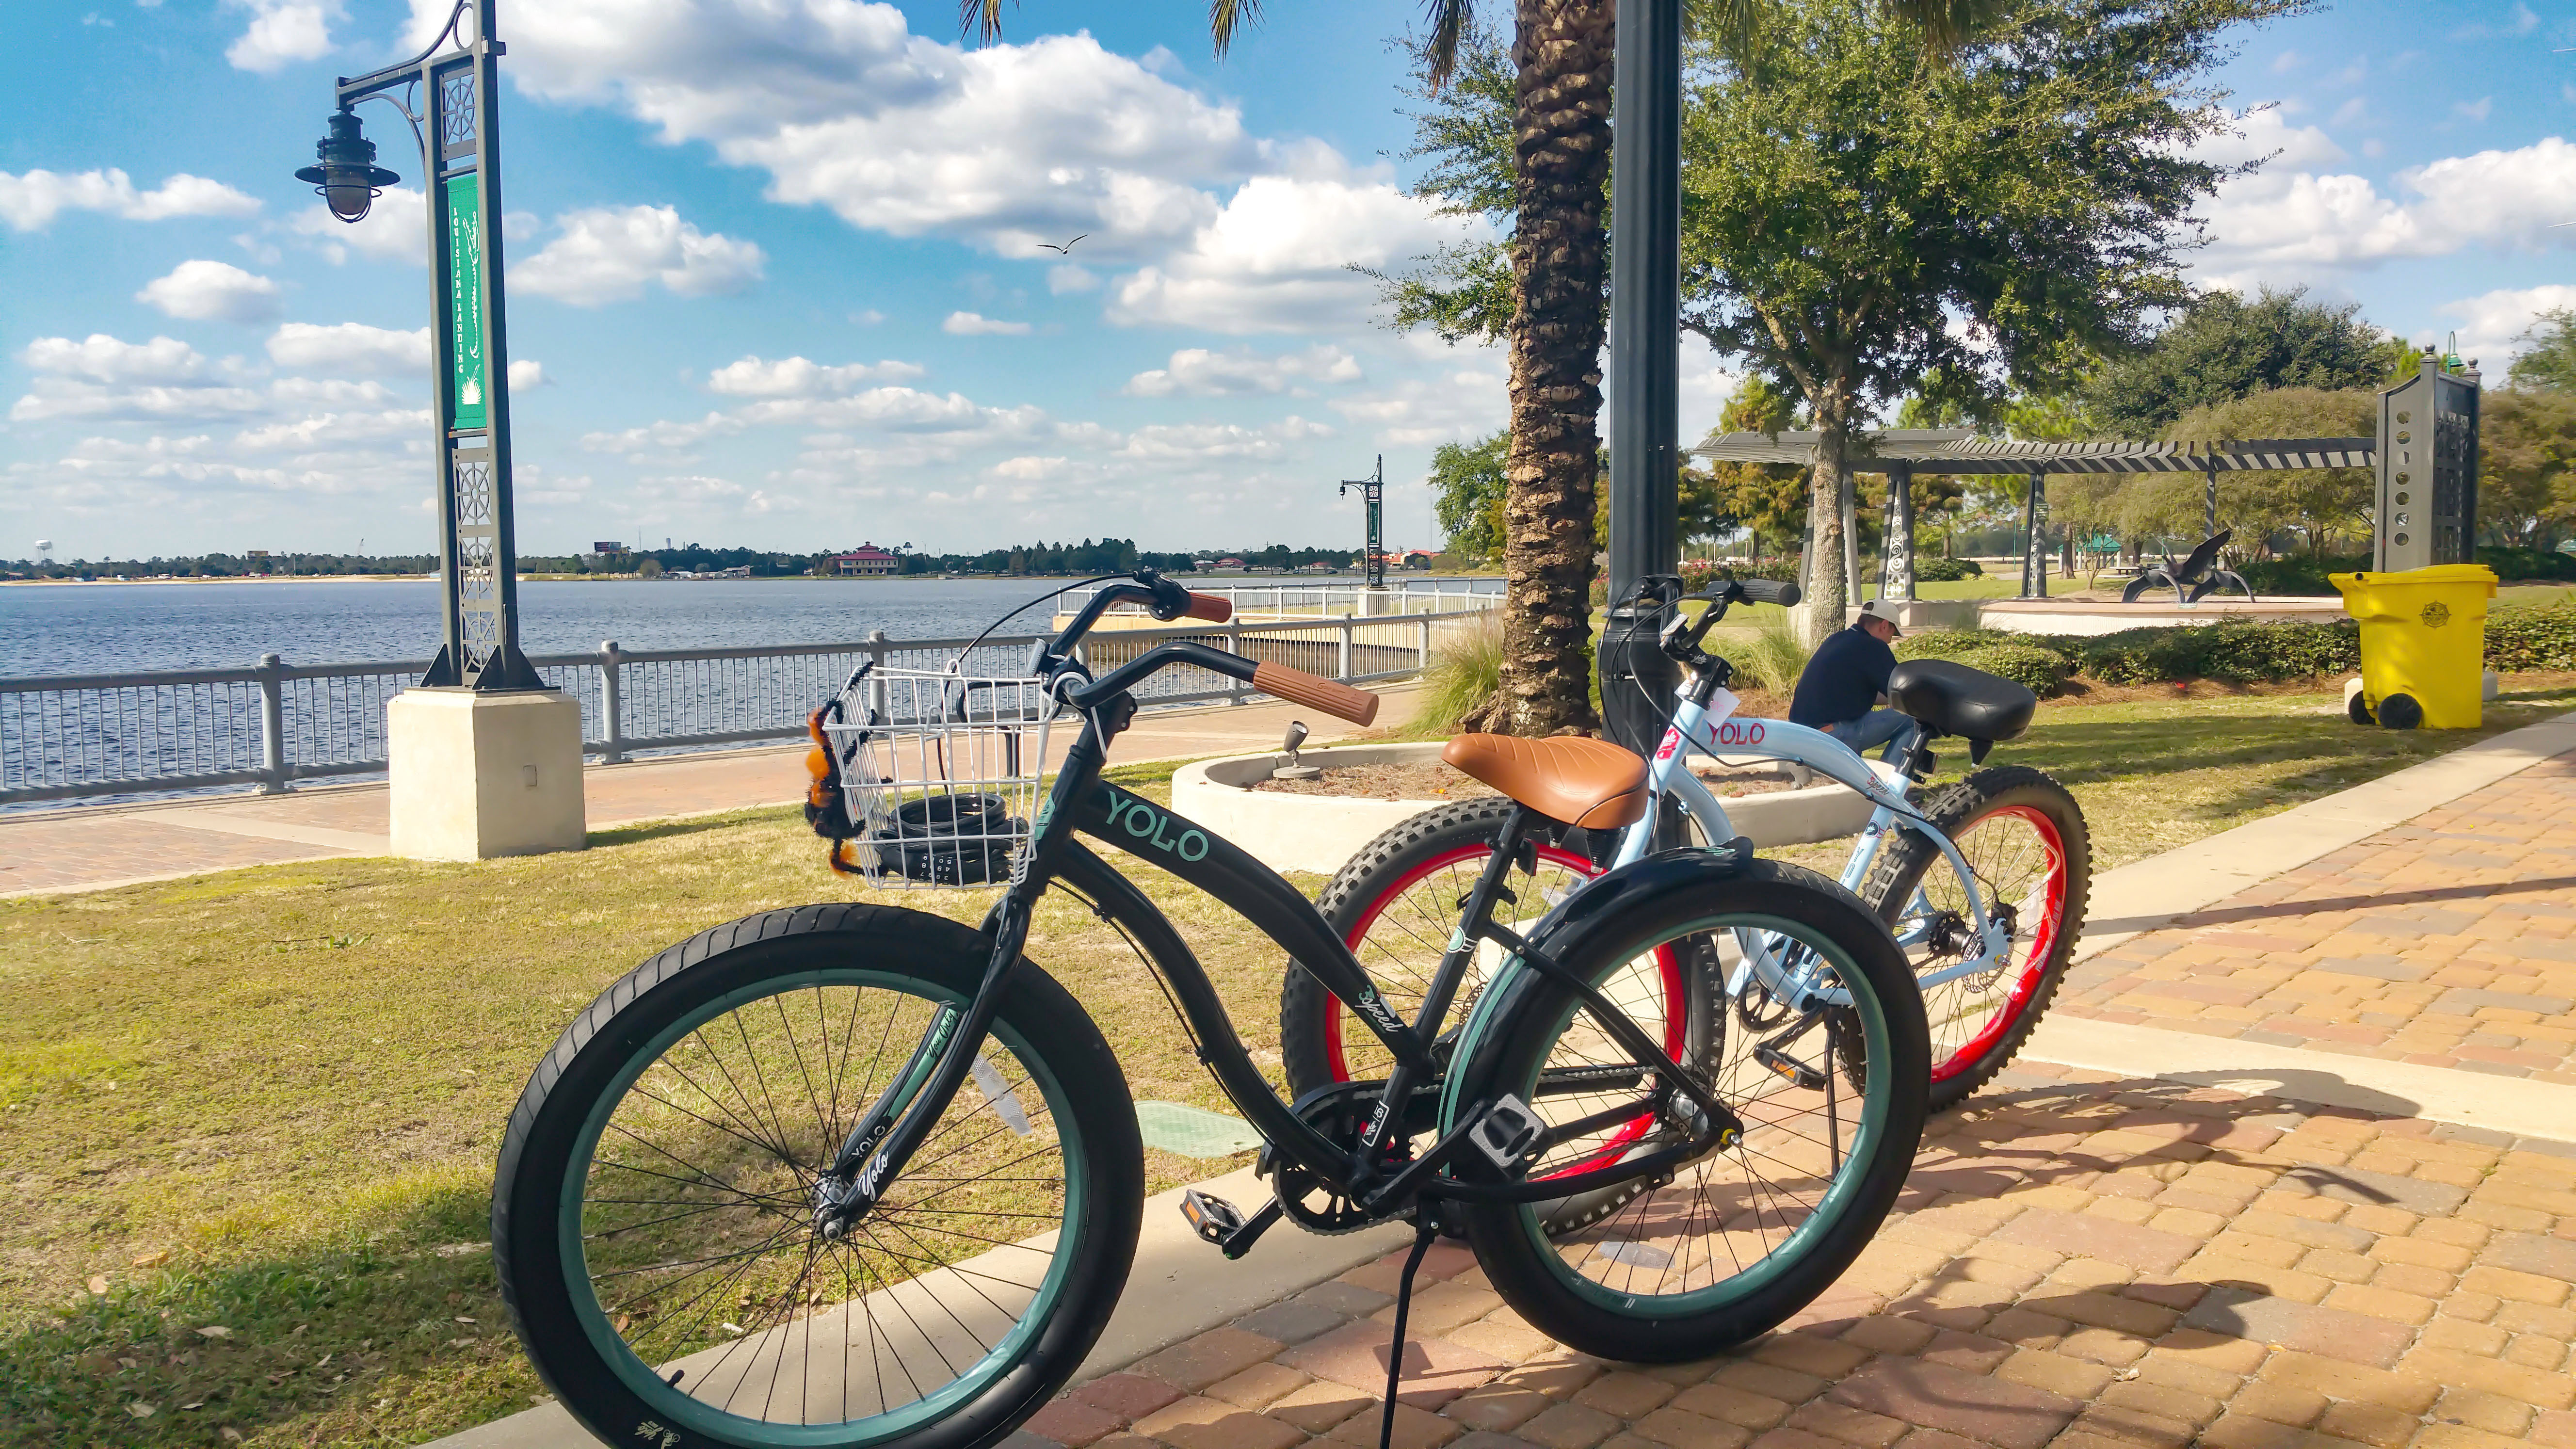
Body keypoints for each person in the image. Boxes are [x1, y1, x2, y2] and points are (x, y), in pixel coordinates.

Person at [1789, 600, 1912, 752]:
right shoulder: (1873, 647)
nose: (1890, 640)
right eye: (1892, 635)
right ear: (1884, 625)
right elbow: (1902, 695)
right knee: (1916, 717)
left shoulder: (1836, 640)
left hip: (1798, 734)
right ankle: (1888, 775)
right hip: (1830, 734)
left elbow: (1865, 695)